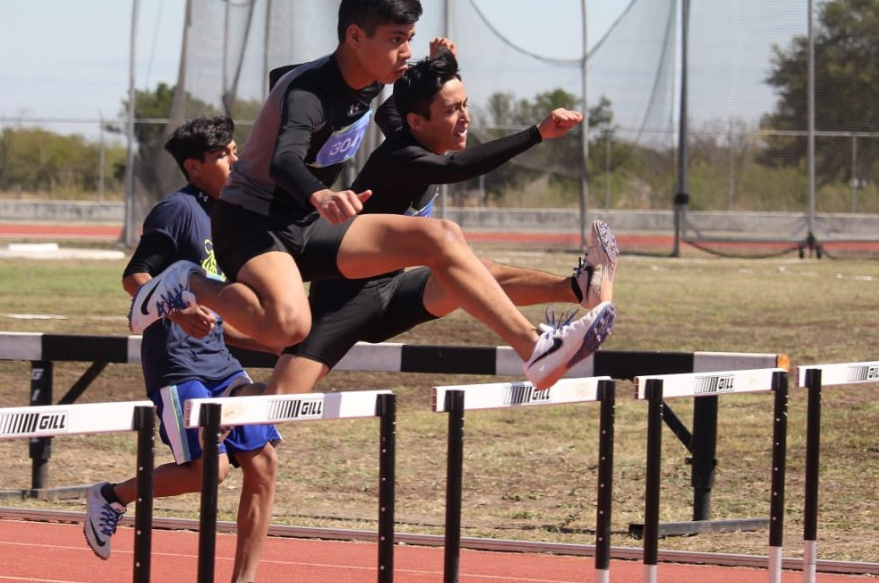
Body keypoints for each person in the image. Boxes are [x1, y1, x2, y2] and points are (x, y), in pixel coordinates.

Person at [129, 0, 611, 391]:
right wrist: (318, 191)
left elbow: (405, 100)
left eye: (411, 38)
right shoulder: (309, 92)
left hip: (308, 221)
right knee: (287, 327)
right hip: (254, 222)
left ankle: (536, 349)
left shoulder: (375, 79)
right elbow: (284, 158)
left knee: (441, 237)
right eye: (396, 39)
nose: (406, 51)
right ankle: (185, 281)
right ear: (355, 37)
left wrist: (437, 64)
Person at [249, 48, 618, 395]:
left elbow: (388, 113)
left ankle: (579, 288)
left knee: (470, 269)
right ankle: (213, 437)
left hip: (395, 290)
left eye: (466, 105)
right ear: (417, 121)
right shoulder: (402, 157)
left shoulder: (407, 128)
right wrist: (536, 134)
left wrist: (442, 62)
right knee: (272, 409)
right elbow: (459, 167)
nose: (466, 118)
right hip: (344, 301)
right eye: (452, 110)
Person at [84, 117, 280, 583]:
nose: (236, 160)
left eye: (236, 150)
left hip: (221, 362)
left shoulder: (233, 214)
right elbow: (135, 277)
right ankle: (113, 495)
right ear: (194, 166)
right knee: (208, 473)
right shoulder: (177, 211)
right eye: (225, 154)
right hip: (177, 365)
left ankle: (244, 580)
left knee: (263, 464)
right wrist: (175, 313)